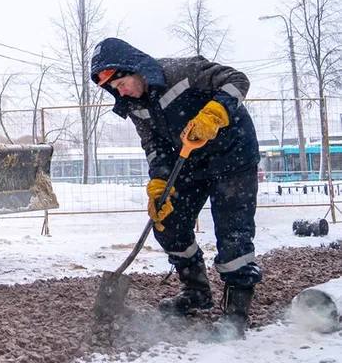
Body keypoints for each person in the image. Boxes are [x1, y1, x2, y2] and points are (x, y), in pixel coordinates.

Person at [90, 37, 261, 337]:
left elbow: (236, 80)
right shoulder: (135, 106)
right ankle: (196, 291)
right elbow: (154, 145)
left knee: (233, 232)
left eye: (122, 84)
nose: (122, 92)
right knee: (167, 221)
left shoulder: (181, 72)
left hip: (232, 154)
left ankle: (236, 313)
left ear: (133, 67)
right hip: (190, 161)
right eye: (115, 91)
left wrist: (214, 112)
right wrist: (159, 182)